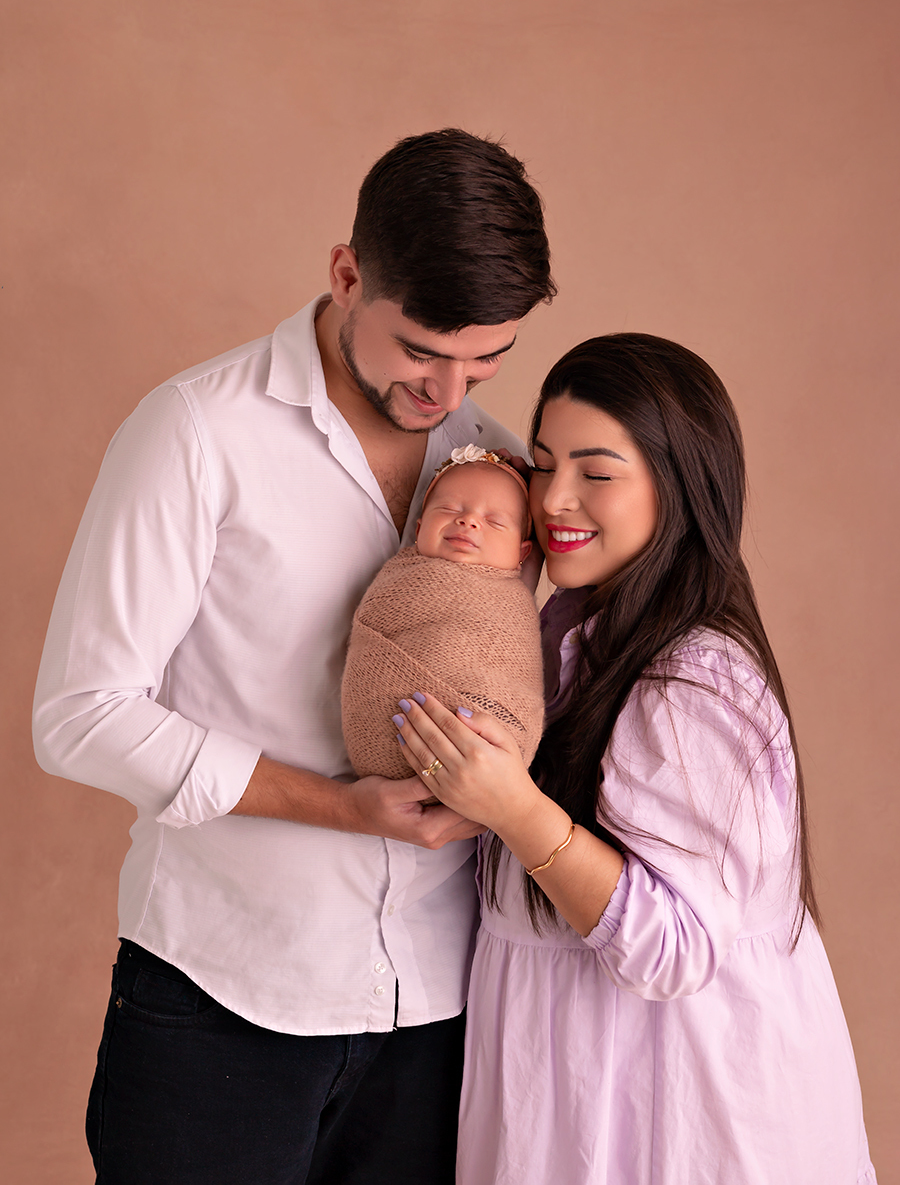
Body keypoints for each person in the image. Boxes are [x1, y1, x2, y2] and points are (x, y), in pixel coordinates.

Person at [32, 129, 555, 1184]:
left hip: (440, 1005)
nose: (449, 393)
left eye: (483, 360)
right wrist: (342, 806)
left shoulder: (491, 462)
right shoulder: (195, 432)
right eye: (420, 350)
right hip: (221, 1000)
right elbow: (80, 713)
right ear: (347, 274)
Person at [393, 334, 877, 1184]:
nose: (557, 499)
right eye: (542, 466)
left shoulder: (692, 679)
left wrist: (514, 807)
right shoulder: (571, 632)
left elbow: (676, 946)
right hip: (578, 1091)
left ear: (678, 488)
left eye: (598, 473)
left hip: (671, 1114)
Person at [341, 446, 544, 783]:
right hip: (379, 732)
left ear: (523, 552)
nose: (468, 521)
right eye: (449, 509)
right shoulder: (401, 575)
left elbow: (513, 674)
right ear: (419, 529)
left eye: (494, 521)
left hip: (485, 755)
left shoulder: (513, 601)